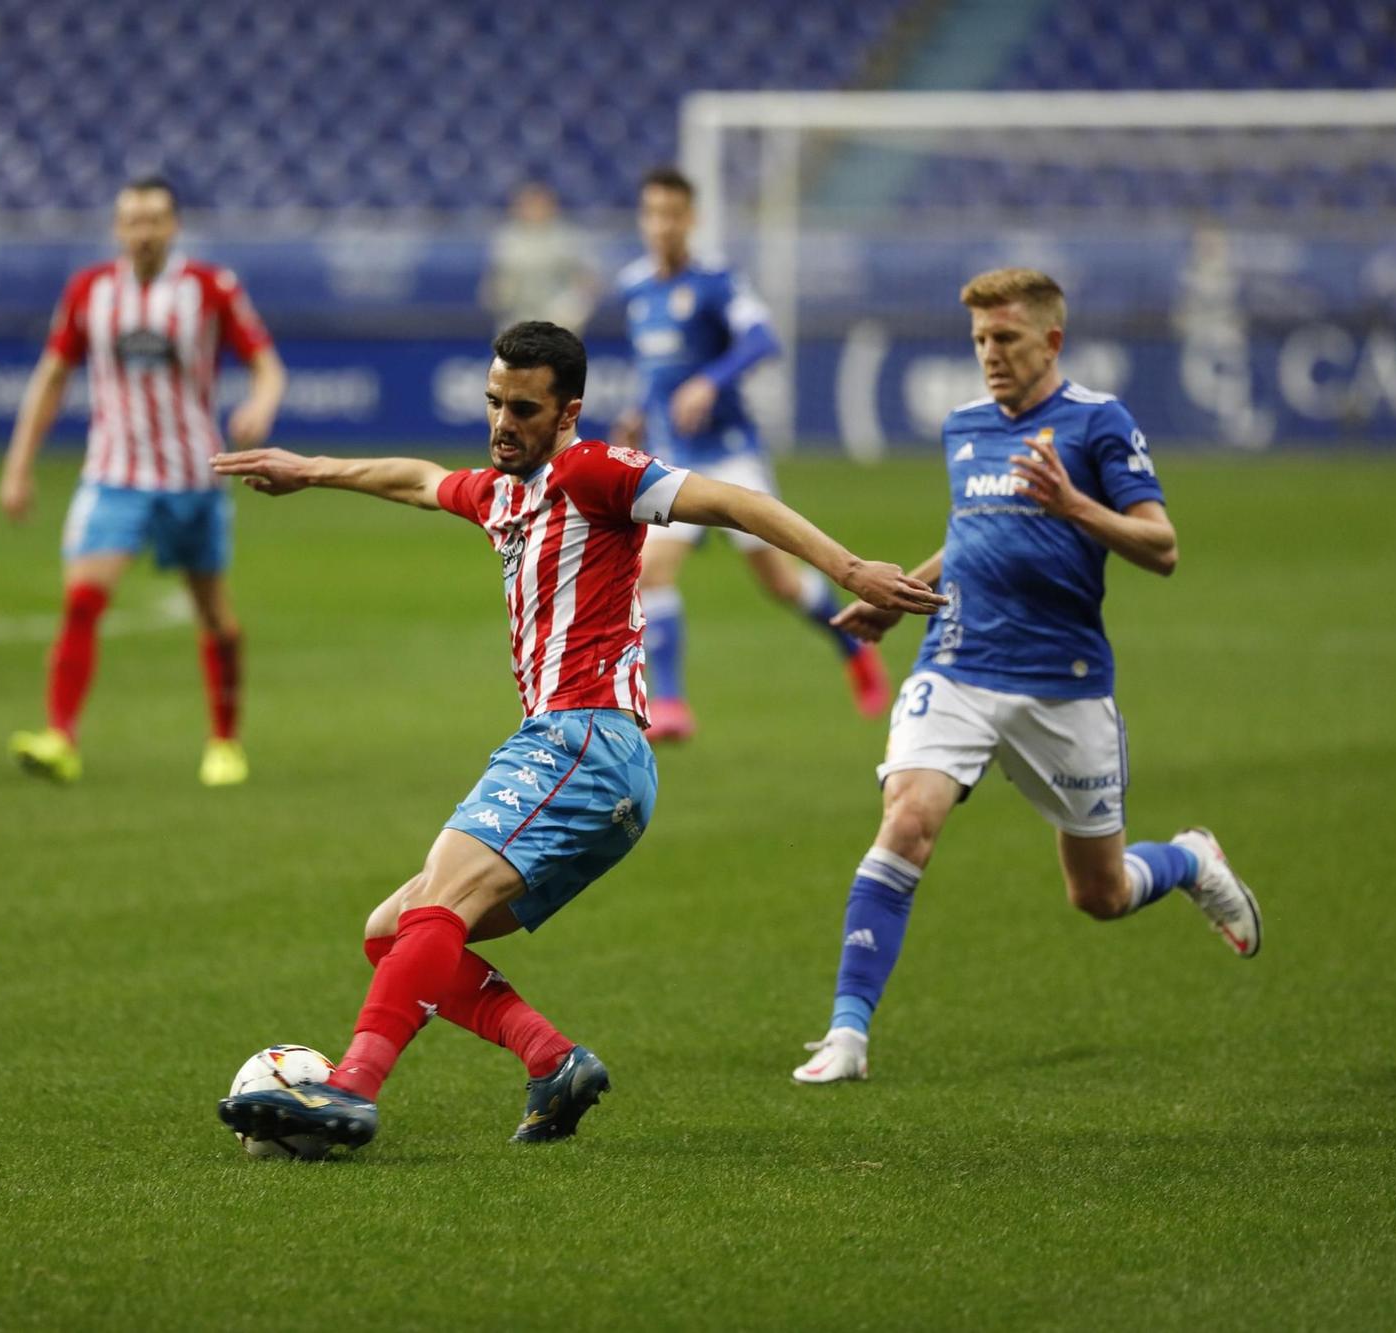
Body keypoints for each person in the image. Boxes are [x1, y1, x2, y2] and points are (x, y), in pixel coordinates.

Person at [212, 322, 941, 1152]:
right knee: (394, 931)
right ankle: (551, 1059)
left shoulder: (593, 472)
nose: (501, 422)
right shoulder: (500, 492)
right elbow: (417, 479)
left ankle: (349, 1090)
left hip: (582, 740)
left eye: (523, 408)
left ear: (568, 414)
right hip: (590, 765)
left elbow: (736, 500)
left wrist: (847, 569)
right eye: (494, 402)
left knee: (436, 903)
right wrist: (311, 469)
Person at [791, 268, 1263, 1087]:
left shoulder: (1097, 423)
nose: (989, 355)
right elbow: (976, 530)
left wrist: (1076, 505)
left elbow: (1163, 547)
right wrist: (907, 593)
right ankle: (847, 1033)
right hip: (959, 661)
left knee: (1101, 894)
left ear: (1052, 340)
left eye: (1004, 339)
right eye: (978, 340)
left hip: (1063, 681)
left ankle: (1189, 860)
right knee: (907, 818)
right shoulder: (965, 425)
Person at [0, 175, 286, 787]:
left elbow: (265, 363)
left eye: (155, 218)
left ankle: (224, 741)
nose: (144, 230)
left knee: (214, 613)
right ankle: (60, 738)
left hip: (192, 476)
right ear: (117, 228)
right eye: (133, 219)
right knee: (82, 598)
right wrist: (18, 464)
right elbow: (52, 377)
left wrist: (261, 404)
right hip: (114, 473)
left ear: (174, 225)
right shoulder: (89, 292)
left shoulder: (210, 288)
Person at [614, 166, 890, 744]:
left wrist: (711, 382)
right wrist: (640, 414)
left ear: (691, 219)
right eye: (652, 213)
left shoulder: (716, 281)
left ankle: (850, 646)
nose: (661, 225)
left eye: (672, 214)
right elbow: (655, 369)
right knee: (650, 572)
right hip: (674, 457)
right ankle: (669, 703)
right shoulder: (636, 287)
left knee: (781, 583)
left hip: (731, 454)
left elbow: (763, 337)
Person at [479, 181, 600, 333]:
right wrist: (498, 296)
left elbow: (589, 281)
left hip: (559, 321)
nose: (534, 210)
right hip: (518, 320)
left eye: (539, 204)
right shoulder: (506, 239)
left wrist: (575, 307)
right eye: (528, 205)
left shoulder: (569, 238)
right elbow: (495, 285)